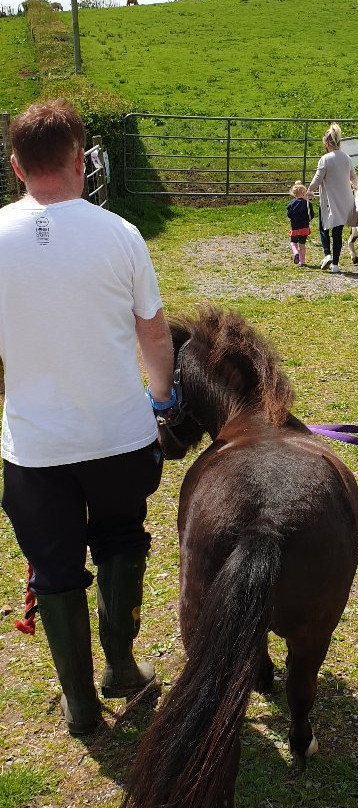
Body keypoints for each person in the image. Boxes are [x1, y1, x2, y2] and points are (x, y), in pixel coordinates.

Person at [0, 100, 175, 735]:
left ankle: (79, 707)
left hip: (34, 448)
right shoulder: (121, 233)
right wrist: (161, 400)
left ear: (16, 166)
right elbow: (153, 336)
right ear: (82, 159)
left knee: (54, 568)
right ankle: (122, 667)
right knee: (122, 541)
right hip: (118, 436)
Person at [307, 122, 358, 274]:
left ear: (328, 142)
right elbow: (353, 177)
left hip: (330, 201)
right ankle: (335, 264)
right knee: (338, 232)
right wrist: (355, 189)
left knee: (323, 227)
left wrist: (309, 190)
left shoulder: (325, 159)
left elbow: (317, 179)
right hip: (345, 201)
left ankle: (327, 254)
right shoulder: (347, 157)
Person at [286, 180, 314, 267]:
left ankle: (295, 252)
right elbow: (311, 215)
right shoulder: (308, 204)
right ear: (303, 194)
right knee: (302, 245)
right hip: (304, 228)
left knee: (293, 242)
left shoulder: (291, 204)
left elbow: (289, 215)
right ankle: (302, 262)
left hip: (295, 227)